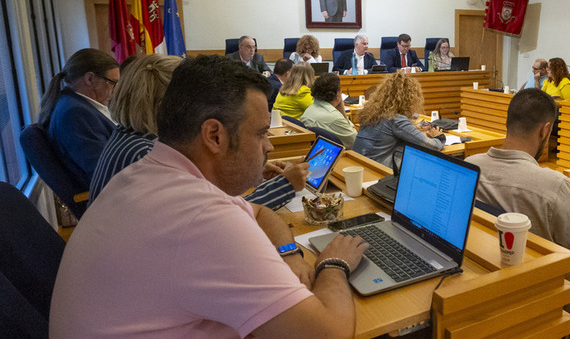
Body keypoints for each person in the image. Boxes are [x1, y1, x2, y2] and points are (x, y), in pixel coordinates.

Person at [46, 55, 424, 339]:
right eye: (261, 133)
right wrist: (333, 264)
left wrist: (289, 251)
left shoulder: (150, 177)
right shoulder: (198, 219)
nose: (268, 147)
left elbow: (259, 212)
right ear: (214, 135)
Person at [88, 54, 307, 208]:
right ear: (169, 103)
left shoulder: (128, 137)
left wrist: (248, 171)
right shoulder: (146, 155)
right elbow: (214, 218)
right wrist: (285, 185)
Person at [467, 89, 570, 274]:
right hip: (540, 288)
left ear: (507, 123)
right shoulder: (555, 186)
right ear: (545, 130)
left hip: (483, 273)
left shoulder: (470, 167)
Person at [38, 48, 119, 185]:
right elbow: (103, 172)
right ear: (90, 79)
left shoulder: (75, 105)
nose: (115, 90)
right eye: (112, 83)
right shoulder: (75, 114)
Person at [353, 72, 444, 168]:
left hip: (360, 163)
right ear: (409, 98)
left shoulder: (373, 112)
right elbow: (432, 146)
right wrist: (439, 137)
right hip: (376, 169)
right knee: (422, 159)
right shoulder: (395, 119)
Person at [300, 73, 357, 149]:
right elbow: (356, 143)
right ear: (337, 94)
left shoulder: (308, 111)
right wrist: (342, 111)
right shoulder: (334, 117)